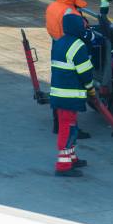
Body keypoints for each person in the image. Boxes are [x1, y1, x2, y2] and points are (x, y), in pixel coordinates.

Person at [49, 14, 96, 177]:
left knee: (71, 126)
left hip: (59, 94)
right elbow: (85, 72)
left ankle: (72, 158)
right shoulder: (78, 45)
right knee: (67, 129)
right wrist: (91, 89)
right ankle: (63, 166)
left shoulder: (59, 42)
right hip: (69, 96)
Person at [45, 0, 92, 139]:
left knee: (57, 86)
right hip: (70, 49)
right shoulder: (70, 12)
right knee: (70, 91)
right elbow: (81, 32)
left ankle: (57, 124)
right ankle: (73, 129)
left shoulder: (52, 7)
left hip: (57, 46)